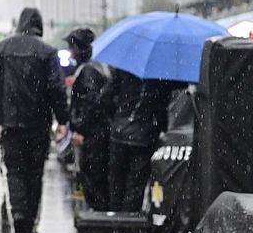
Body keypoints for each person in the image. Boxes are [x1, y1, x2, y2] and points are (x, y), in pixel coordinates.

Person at [0, 7, 68, 233]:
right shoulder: (47, 52)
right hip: (38, 125)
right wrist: (61, 120)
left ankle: (19, 216)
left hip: (10, 124)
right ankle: (29, 221)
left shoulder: (0, 50)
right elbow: (57, 89)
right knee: (34, 174)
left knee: (15, 172)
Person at [103, 68, 183, 212]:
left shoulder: (126, 68)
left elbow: (106, 97)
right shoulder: (161, 72)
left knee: (116, 183)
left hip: (119, 134)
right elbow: (164, 103)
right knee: (135, 187)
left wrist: (116, 118)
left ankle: (114, 224)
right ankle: (129, 225)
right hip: (144, 136)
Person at [65, 28, 111, 212]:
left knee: (94, 182)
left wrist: (81, 129)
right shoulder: (91, 69)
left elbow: (90, 104)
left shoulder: (88, 72)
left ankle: (99, 224)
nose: (69, 51)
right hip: (96, 135)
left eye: (71, 47)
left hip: (94, 138)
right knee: (94, 180)